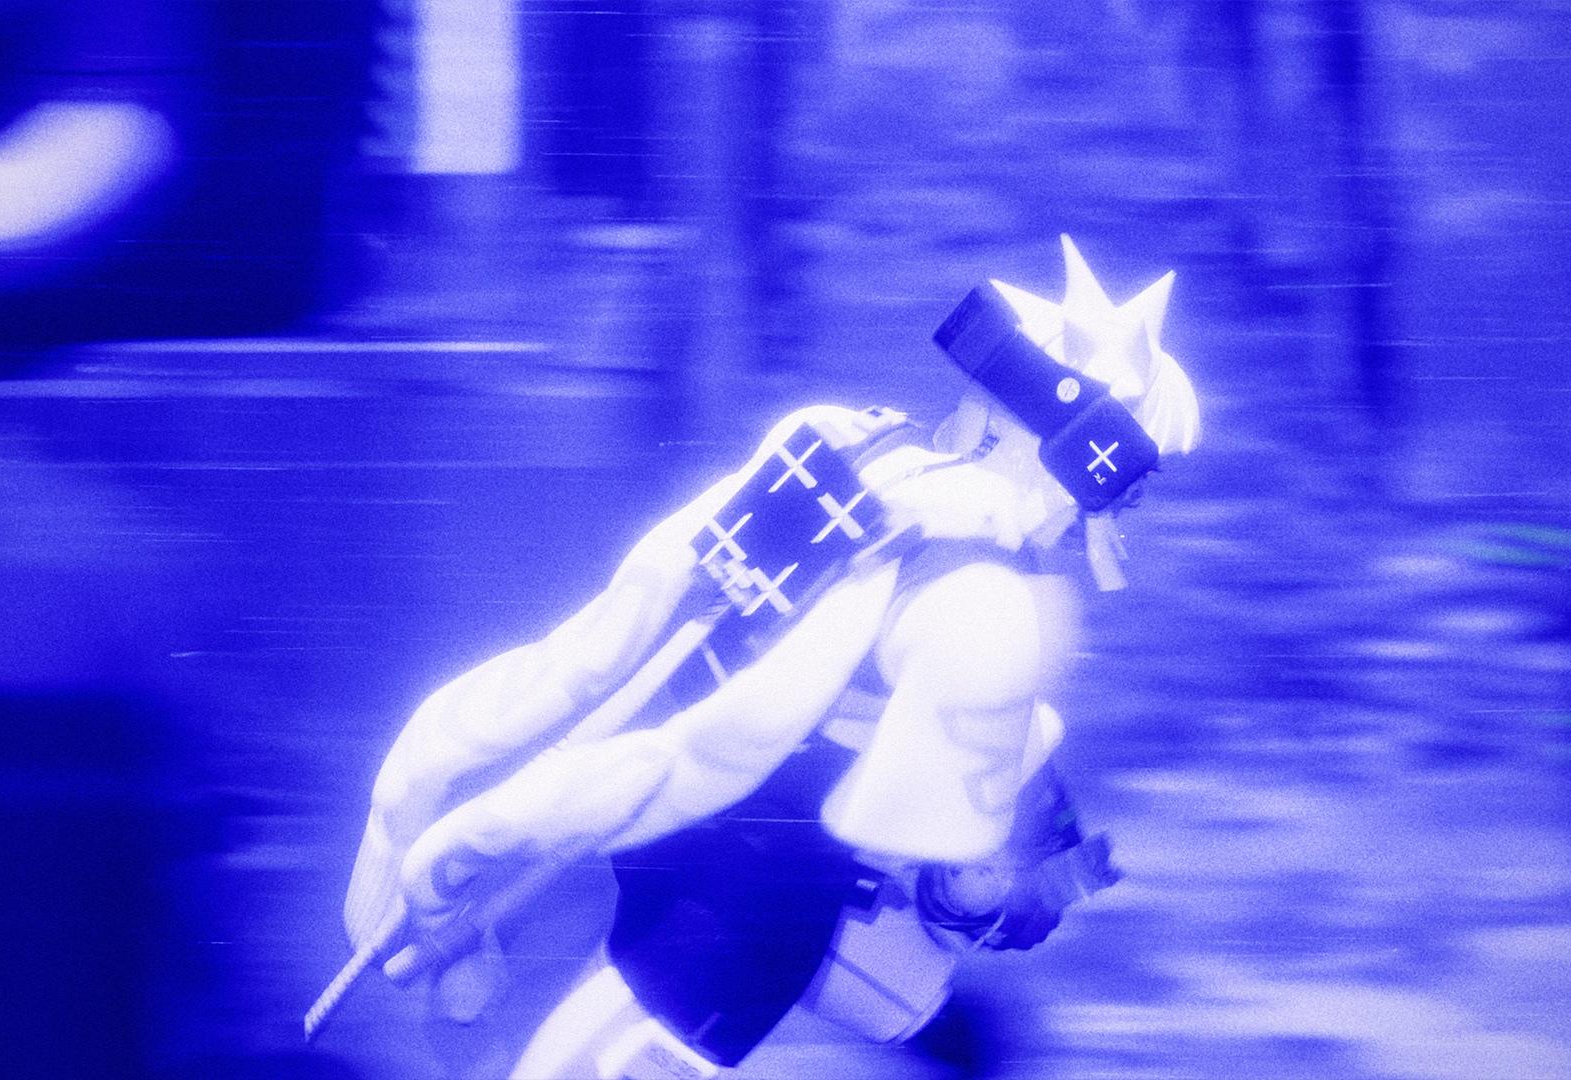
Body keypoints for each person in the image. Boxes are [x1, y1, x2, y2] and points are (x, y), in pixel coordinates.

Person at [332, 236, 1201, 1078]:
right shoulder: (986, 596)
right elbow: (750, 763)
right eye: (1130, 480)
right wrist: (476, 829)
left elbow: (607, 640)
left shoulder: (844, 438)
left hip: (675, 827)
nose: (1124, 510)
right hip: (748, 892)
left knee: (938, 1020)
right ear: (1090, 454)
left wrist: (435, 768)